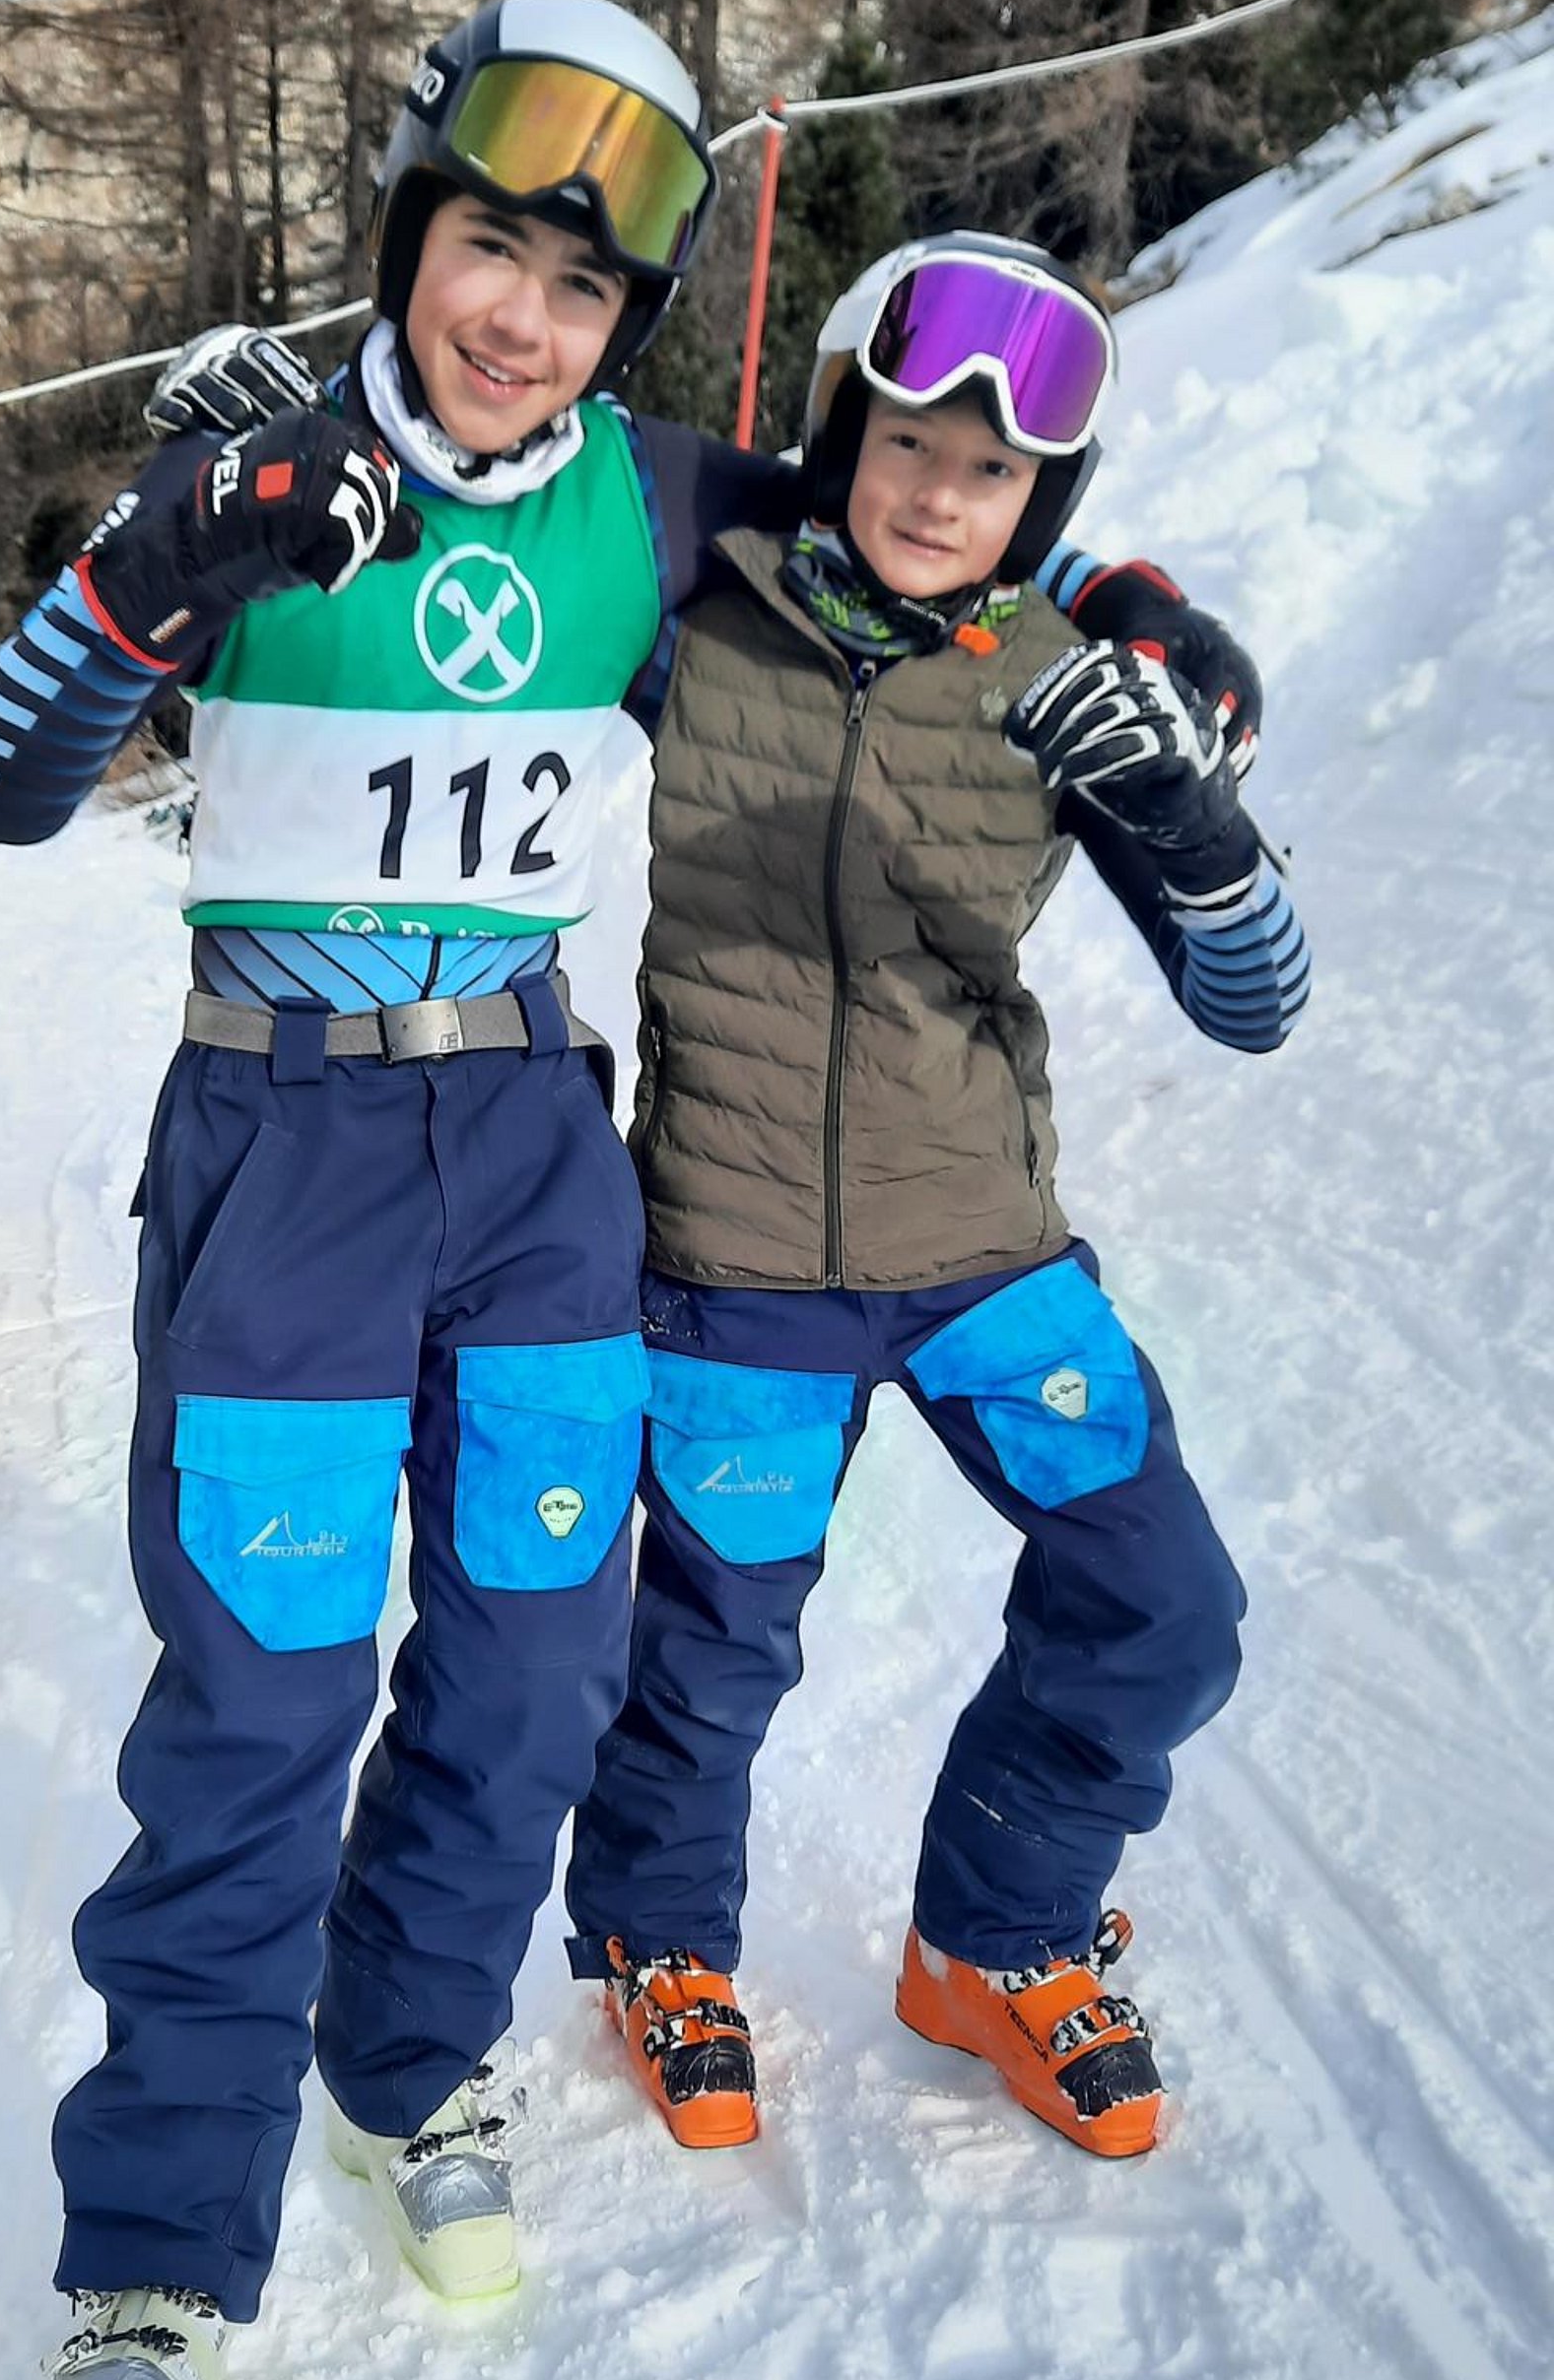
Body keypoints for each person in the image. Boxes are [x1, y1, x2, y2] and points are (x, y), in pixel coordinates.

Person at [0, 0, 814, 2380]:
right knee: (261, 1702)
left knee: (535, 1661)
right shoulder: (262, 463)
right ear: (410, 231)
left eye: (582, 283)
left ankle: (407, 2059)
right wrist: (154, 562)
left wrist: (1120, 600)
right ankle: (156, 2265)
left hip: (531, 1135)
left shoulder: (649, 499)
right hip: (285, 1143)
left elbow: (903, 558)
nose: (521, 317)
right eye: (488, 248)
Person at [558, 235, 1311, 2162]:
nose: (937, 492)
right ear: (841, 433)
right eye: (904, 442)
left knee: (1164, 1604)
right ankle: (659, 1938)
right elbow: (554, 443)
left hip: (986, 1252)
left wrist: (1196, 817)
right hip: (734, 1259)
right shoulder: (701, 613)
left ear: (1039, 500)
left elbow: (1255, 1003)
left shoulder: (1067, 685)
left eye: (990, 472)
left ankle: (997, 1935)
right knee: (710, 1656)